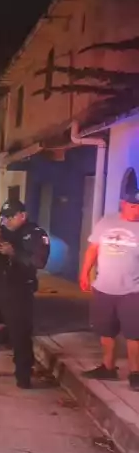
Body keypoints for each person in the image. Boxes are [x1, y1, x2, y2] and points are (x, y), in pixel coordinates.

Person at [0, 199, 50, 388]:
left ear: (23, 215)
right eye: (4, 217)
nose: (6, 221)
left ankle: (23, 374)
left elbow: (39, 262)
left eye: (10, 217)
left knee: (19, 333)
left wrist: (14, 253)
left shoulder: (35, 235)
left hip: (18, 289)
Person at [79, 168, 139, 391]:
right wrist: (84, 273)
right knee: (106, 331)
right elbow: (93, 249)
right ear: (123, 203)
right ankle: (108, 367)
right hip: (104, 289)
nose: (137, 211)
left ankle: (136, 373)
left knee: (135, 334)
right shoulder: (107, 221)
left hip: (133, 291)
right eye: (133, 206)